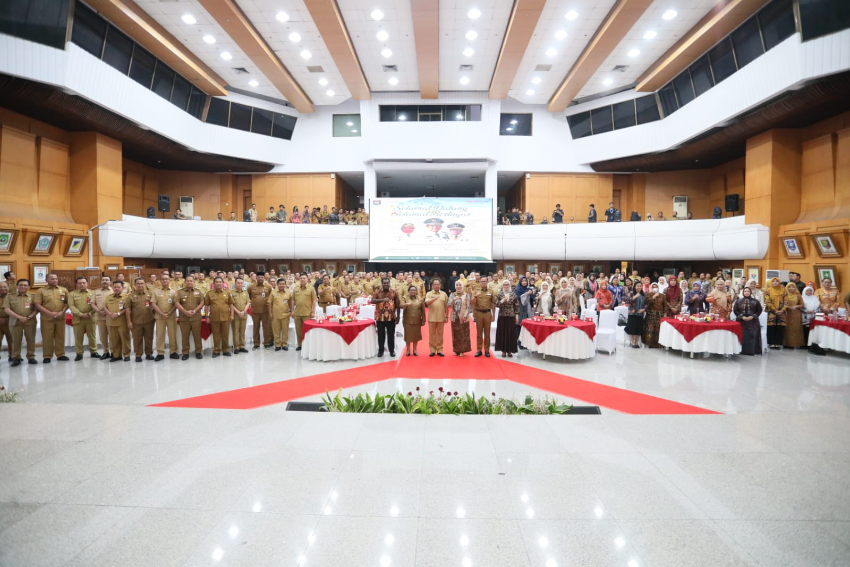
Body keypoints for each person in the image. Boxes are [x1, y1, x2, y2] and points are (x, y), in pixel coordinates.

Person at [34, 273, 69, 363]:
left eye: (56, 279)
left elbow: (68, 303)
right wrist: (49, 313)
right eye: (52, 279)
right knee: (47, 337)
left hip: (60, 317)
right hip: (47, 318)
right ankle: (47, 356)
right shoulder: (41, 290)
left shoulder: (63, 290)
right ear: (46, 280)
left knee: (60, 336)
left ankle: (60, 354)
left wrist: (62, 312)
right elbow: (37, 304)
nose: (55, 280)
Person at [4, 278, 38, 366]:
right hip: (15, 322)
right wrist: (19, 317)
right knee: (15, 340)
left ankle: (31, 357)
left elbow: (37, 309)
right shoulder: (9, 296)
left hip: (30, 322)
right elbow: (7, 309)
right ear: (17, 286)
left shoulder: (33, 296)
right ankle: (16, 357)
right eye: (21, 285)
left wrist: (28, 317)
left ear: (29, 286)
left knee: (30, 340)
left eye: (25, 285)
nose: (23, 286)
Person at [176, 276, 204, 360]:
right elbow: (177, 303)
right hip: (184, 318)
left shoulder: (199, 291)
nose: (189, 282)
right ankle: (185, 352)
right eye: (187, 281)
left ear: (194, 282)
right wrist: (185, 312)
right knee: (185, 336)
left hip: (196, 317)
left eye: (191, 281)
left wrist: (194, 311)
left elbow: (202, 302)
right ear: (185, 282)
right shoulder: (179, 292)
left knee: (197, 335)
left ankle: (198, 352)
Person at [127, 277, 154, 362]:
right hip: (136, 321)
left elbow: (154, 305)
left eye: (142, 283)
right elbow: (127, 309)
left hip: (149, 320)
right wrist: (129, 321)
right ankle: (138, 354)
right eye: (138, 283)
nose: (140, 285)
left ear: (145, 284)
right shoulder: (131, 296)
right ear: (135, 285)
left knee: (149, 338)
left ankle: (149, 353)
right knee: (137, 339)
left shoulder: (150, 294)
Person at [104, 280, 131, 361]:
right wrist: (109, 313)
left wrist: (118, 314)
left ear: (122, 288)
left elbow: (127, 308)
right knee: (113, 340)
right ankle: (116, 355)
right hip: (110, 321)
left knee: (125, 339)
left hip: (122, 321)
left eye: (118, 287)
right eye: (114, 287)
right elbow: (105, 307)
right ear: (112, 287)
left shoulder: (126, 297)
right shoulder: (109, 297)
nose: (116, 289)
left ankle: (126, 355)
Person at [734, 287, 763, 355]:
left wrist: (752, 316)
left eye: (748, 291)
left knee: (752, 335)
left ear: (750, 292)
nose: (746, 292)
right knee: (742, 335)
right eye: (745, 291)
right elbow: (735, 310)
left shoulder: (755, 301)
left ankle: (752, 351)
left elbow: (759, 310)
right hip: (741, 321)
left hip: (753, 321)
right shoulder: (738, 301)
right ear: (743, 292)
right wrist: (742, 317)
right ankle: (740, 350)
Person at [292, 274, 318, 351]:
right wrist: (292, 310)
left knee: (307, 330)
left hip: (307, 313)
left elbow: (314, 301)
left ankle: (308, 345)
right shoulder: (296, 289)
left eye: (304, 278)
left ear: (307, 279)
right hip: (297, 313)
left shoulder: (311, 289)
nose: (302, 279)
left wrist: (313, 312)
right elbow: (293, 300)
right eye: (301, 278)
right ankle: (300, 345)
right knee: (298, 330)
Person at [471, 278, 495, 357]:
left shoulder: (491, 291)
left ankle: (487, 350)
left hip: (488, 313)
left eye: (485, 281)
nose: (483, 283)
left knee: (487, 333)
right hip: (479, 313)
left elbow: (493, 303)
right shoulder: (476, 291)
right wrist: (475, 296)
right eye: (482, 281)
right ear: (480, 282)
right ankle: (479, 350)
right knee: (479, 333)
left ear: (487, 282)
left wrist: (493, 314)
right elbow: (472, 303)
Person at [424, 279, 448, 357]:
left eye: (438, 284)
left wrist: (446, 316)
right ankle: (432, 350)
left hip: (441, 318)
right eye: (435, 284)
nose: (437, 286)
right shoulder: (429, 294)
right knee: (432, 335)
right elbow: (427, 302)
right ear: (432, 285)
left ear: (440, 285)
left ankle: (440, 349)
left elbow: (446, 306)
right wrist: (434, 298)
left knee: (440, 334)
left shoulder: (444, 294)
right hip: (432, 318)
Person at [495, 280, 519, 357]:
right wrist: (503, 300)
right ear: (503, 286)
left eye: (507, 285)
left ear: (509, 286)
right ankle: (503, 350)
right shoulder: (500, 294)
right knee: (502, 333)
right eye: (504, 285)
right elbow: (497, 304)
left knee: (510, 333)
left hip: (511, 315)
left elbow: (517, 306)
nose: (506, 286)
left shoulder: (513, 294)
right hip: (502, 315)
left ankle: (510, 350)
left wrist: (517, 316)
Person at [248, 274, 272, 350]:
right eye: (259, 277)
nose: (260, 278)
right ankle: (256, 344)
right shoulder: (251, 286)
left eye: (261, 277)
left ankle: (267, 343)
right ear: (256, 278)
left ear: (264, 278)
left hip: (266, 310)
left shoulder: (268, 286)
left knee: (266, 327)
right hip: (255, 311)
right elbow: (248, 296)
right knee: (256, 327)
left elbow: (272, 297)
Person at [447, 281, 472, 356]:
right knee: (455, 334)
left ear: (462, 286)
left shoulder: (466, 295)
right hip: (454, 317)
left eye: (460, 285)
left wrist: (465, 316)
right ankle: (456, 350)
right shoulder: (452, 294)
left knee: (463, 334)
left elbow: (469, 307)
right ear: (455, 287)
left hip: (463, 317)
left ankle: (462, 350)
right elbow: (449, 305)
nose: (458, 286)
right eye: (457, 285)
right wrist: (453, 300)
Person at [267, 278, 291, 352]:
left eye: (283, 284)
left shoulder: (288, 293)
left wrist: (291, 311)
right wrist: (270, 313)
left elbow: (291, 303)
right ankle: (277, 344)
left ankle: (284, 344)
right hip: (275, 315)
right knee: (276, 330)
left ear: (285, 284)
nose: (281, 285)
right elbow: (270, 303)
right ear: (277, 284)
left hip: (285, 315)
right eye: (280, 284)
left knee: (285, 330)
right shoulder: (273, 292)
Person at [400, 284, 425, 356]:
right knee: (408, 336)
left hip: (417, 320)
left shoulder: (419, 298)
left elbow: (423, 310)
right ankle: (408, 350)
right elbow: (400, 305)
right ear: (408, 291)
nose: (412, 291)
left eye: (414, 290)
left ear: (416, 291)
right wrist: (406, 304)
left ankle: (415, 349)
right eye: (411, 290)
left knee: (416, 336)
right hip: (407, 320)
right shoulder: (405, 298)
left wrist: (423, 319)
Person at [642, 283, 668, 348]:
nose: (655, 288)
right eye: (653, 287)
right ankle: (649, 343)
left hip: (660, 315)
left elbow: (665, 305)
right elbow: (647, 302)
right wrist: (654, 296)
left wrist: (665, 313)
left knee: (658, 329)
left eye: (656, 287)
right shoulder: (649, 294)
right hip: (651, 315)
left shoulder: (662, 295)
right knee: (650, 329)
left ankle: (658, 344)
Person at [764, 277, 786, 350]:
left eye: (777, 281)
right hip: (771, 311)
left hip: (781, 312)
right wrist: (775, 309)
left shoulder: (783, 290)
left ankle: (778, 343)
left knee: (780, 327)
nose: (775, 283)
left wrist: (782, 310)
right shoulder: (768, 290)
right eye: (773, 281)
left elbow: (786, 301)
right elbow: (767, 300)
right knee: (771, 327)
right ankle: (771, 343)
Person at [515, 276, 535, 348]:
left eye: (525, 281)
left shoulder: (529, 289)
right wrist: (527, 294)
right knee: (519, 325)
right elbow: (517, 298)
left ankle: (525, 342)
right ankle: (519, 342)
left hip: (527, 309)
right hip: (519, 309)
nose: (524, 282)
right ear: (520, 281)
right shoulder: (517, 289)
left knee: (526, 325)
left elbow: (532, 298)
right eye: (523, 281)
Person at [783, 282, 804, 349]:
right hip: (786, 313)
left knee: (795, 328)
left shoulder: (798, 295)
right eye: (789, 287)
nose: (791, 288)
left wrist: (796, 306)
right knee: (786, 328)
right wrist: (789, 307)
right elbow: (782, 303)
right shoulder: (784, 295)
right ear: (787, 288)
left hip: (796, 314)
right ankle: (786, 343)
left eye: (793, 287)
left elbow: (802, 305)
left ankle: (795, 343)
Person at [625, 281, 645, 348]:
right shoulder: (631, 293)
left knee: (638, 329)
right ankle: (633, 342)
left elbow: (647, 304)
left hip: (640, 313)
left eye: (640, 286)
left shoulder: (643, 294)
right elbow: (627, 301)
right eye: (637, 286)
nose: (639, 287)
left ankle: (636, 342)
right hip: (632, 313)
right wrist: (635, 297)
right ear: (635, 286)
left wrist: (643, 309)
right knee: (632, 328)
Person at [0, 282, 11, 360]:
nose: (3, 288)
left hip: (10, 322)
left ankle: (13, 356)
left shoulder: (13, 297)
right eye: (1, 287)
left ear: (8, 287)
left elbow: (17, 309)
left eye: (5, 287)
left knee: (12, 340)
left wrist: (9, 318)